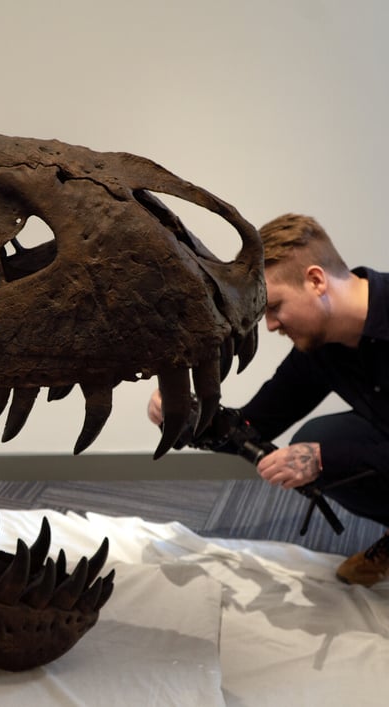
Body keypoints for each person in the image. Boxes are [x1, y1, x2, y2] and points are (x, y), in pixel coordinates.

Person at [148, 213, 389, 587]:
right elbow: (253, 426)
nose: (272, 325)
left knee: (327, 451)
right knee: (321, 438)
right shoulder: (321, 346)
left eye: (275, 307)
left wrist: (325, 458)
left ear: (316, 280)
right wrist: (186, 413)